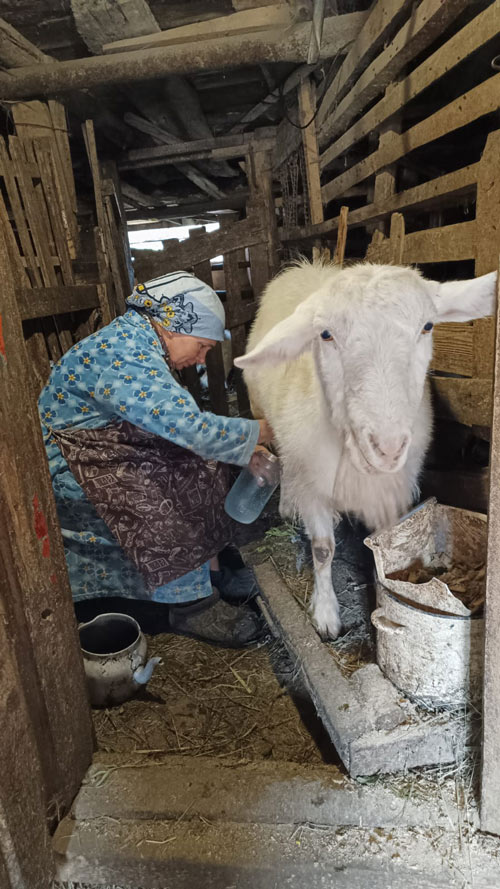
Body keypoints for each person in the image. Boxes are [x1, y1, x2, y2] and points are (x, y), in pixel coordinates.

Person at [38, 271, 274, 647]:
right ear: (175, 326)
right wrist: (264, 431)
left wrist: (241, 445)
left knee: (204, 466)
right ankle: (191, 606)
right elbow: (192, 430)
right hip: (73, 465)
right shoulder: (125, 352)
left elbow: (176, 422)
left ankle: (211, 576)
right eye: (201, 346)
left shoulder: (141, 342)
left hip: (103, 449)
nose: (199, 358)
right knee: (166, 493)